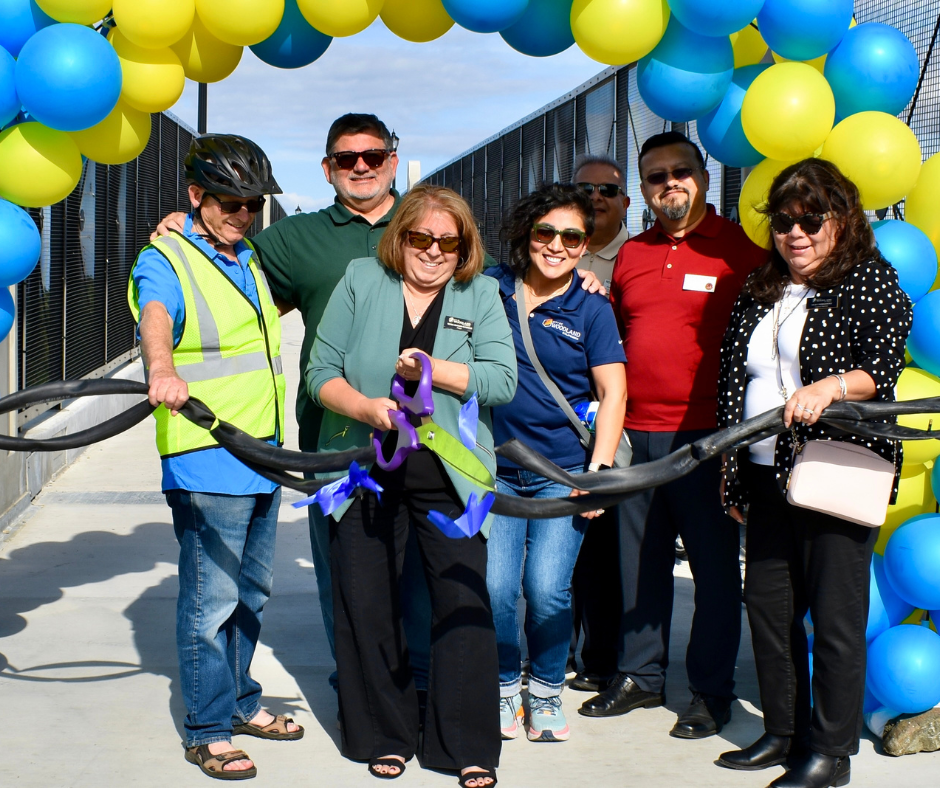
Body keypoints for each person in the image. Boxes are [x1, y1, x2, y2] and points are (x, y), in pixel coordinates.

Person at [305, 184, 516, 786]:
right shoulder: (360, 279)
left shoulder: (479, 294)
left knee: (463, 604)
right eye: (421, 237)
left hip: (450, 475)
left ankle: (465, 744)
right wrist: (368, 410)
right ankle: (384, 734)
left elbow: (501, 381)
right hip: (364, 471)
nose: (433, 251)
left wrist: (433, 370)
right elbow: (321, 371)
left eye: (448, 242)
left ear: (464, 247)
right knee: (367, 604)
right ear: (401, 237)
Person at [715, 159, 911, 788]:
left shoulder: (869, 280)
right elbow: (733, 378)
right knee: (769, 610)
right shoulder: (762, 286)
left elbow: (881, 365)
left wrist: (831, 386)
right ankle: (783, 731)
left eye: (810, 219)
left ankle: (830, 753)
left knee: (833, 617)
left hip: (833, 470)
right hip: (765, 471)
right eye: (783, 220)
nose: (794, 233)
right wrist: (732, 469)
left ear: (841, 218)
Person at [580, 131, 767, 739]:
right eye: (655, 176)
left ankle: (712, 693)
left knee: (714, 573)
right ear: (644, 190)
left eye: (679, 172)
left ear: (704, 179)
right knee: (639, 563)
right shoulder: (632, 255)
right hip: (636, 434)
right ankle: (640, 675)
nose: (669, 184)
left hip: (710, 439)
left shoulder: (740, 252)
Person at [129, 134, 302, 780]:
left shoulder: (243, 254)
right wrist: (162, 368)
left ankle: (238, 703)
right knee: (210, 602)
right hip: (206, 455)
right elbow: (154, 315)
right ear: (197, 196)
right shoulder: (166, 256)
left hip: (257, 453)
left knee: (251, 593)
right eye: (229, 202)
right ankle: (206, 730)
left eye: (253, 203)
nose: (243, 213)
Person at [486, 183, 627, 742]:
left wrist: (598, 472)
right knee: (497, 589)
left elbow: (614, 394)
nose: (557, 245)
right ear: (527, 233)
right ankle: (501, 687)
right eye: (545, 232)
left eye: (572, 237)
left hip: (562, 474)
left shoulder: (591, 308)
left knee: (547, 588)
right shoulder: (490, 289)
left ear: (584, 244)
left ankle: (545, 689)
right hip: (494, 470)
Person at [567, 154, 631, 693]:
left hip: (619, 425)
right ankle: (559, 653)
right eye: (584, 188)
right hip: (563, 425)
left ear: (625, 200)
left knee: (606, 555)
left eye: (606, 189)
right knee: (564, 549)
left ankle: (604, 658)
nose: (595, 197)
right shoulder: (560, 251)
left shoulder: (637, 257)